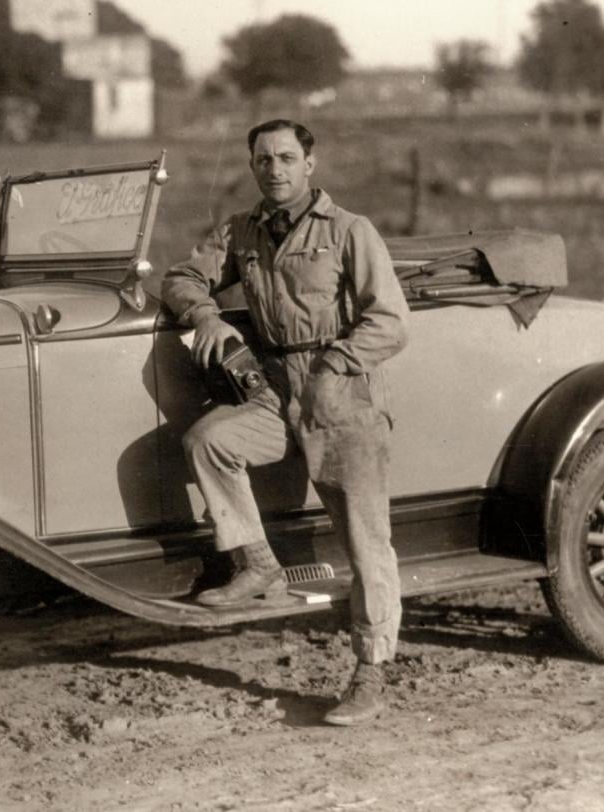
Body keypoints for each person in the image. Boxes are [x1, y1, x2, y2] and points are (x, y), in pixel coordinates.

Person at [163, 119, 409, 726]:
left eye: (286, 158)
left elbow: (390, 321)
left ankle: (371, 673)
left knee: (365, 541)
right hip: (279, 394)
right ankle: (258, 564)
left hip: (343, 396)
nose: (274, 169)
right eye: (263, 160)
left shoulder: (350, 231)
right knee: (209, 441)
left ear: (310, 164)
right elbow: (181, 276)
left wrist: (333, 368)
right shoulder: (242, 232)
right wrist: (206, 315)